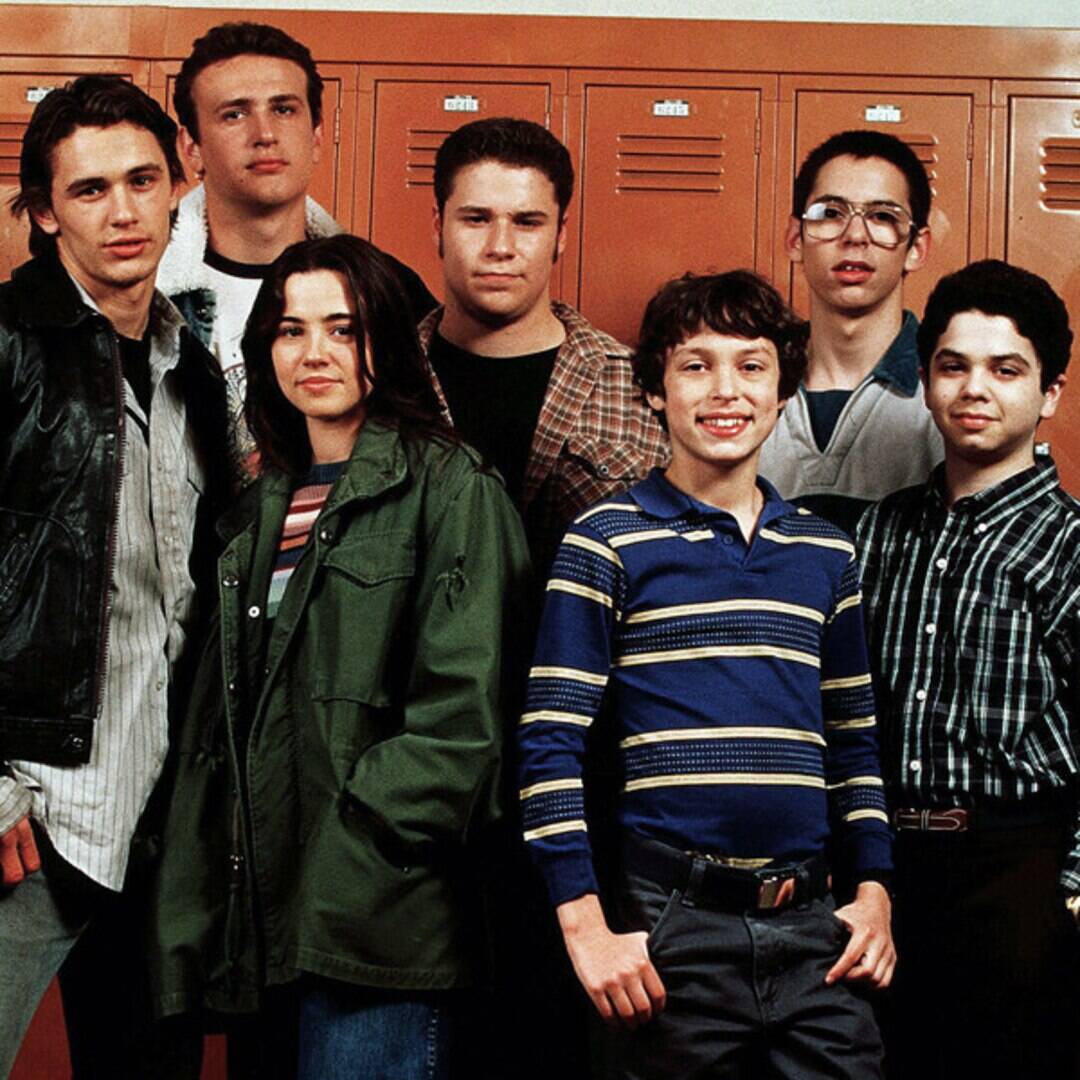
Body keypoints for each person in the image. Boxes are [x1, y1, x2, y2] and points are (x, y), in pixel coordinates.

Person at [147, 234, 530, 1079]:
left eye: (342, 329)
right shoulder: (258, 505)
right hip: (259, 920)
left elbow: (464, 729)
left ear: (382, 342)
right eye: (290, 330)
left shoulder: (451, 487)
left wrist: (352, 844)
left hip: (375, 920)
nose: (313, 352)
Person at [519, 270, 894, 1078]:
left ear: (784, 390)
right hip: (669, 923)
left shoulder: (825, 554)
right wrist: (586, 927)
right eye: (696, 365)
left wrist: (873, 892)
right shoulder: (606, 543)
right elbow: (550, 746)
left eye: (752, 365)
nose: (726, 389)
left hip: (814, 927)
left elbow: (854, 744)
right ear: (655, 390)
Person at [0, 75, 229, 1078]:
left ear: (178, 184)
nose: (123, 210)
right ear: (45, 212)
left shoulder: (192, 367)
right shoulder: (8, 347)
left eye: (142, 180)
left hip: (161, 824)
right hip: (31, 817)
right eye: (89, 190)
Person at [856, 259, 1080, 1079]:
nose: (974, 388)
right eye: (953, 366)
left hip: (1016, 867)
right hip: (885, 871)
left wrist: (1072, 890)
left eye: (1006, 369)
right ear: (925, 381)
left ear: (1049, 393)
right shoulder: (879, 533)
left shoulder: (1068, 545)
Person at [158, 21, 436, 479]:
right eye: (234, 114)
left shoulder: (390, 288)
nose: (265, 133)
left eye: (284, 109)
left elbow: (427, 453)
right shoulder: (147, 297)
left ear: (318, 136)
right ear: (191, 148)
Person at [421, 115, 667, 573]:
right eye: (476, 219)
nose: (500, 246)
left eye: (527, 222)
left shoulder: (639, 387)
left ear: (561, 233)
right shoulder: (381, 375)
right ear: (438, 226)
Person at [759, 129, 942, 533]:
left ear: (916, 247)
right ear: (795, 238)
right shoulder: (747, 383)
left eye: (883, 217)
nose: (855, 236)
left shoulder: (950, 388)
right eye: (830, 213)